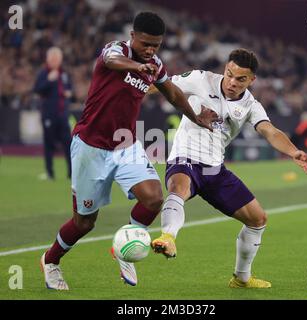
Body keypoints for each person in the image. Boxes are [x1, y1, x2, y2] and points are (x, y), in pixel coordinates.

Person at [40, 12, 216, 290]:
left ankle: (127, 247)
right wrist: (135, 65)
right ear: (132, 36)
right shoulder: (115, 51)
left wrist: (196, 117)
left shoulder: (155, 65)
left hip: (125, 145)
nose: (150, 50)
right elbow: (112, 61)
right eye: (145, 43)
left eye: (155, 45)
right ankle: (51, 261)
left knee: (154, 198)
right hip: (90, 147)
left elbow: (173, 94)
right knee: (84, 223)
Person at [151, 49, 307, 288]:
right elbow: (162, 84)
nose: (231, 82)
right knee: (179, 188)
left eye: (240, 79)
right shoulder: (200, 79)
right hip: (185, 158)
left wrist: (293, 151)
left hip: (215, 170)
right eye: (229, 74)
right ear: (225, 69)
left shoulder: (251, 105)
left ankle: (241, 278)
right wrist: (132, 90)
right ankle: (168, 237)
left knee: (258, 219)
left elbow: (269, 130)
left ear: (252, 80)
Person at [34, 47, 73, 180]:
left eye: (57, 58)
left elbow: (69, 88)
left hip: (63, 114)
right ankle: (50, 173)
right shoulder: (44, 73)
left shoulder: (65, 73)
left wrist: (69, 93)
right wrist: (49, 80)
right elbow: (37, 90)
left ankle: (71, 173)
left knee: (68, 144)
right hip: (49, 114)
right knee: (48, 144)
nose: (55, 61)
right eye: (53, 58)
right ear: (48, 59)